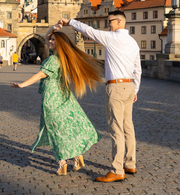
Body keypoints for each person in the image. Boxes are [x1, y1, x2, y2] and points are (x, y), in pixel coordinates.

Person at [59, 10, 141, 182]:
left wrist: (70, 22)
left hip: (116, 88)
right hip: (129, 86)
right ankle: (130, 163)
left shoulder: (112, 38)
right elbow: (137, 69)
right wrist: (135, 90)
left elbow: (89, 31)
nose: (108, 24)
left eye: (110, 21)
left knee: (116, 128)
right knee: (128, 127)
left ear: (119, 21)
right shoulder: (133, 42)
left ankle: (118, 170)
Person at [10, 24, 103, 175]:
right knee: (66, 128)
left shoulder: (53, 60)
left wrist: (22, 85)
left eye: (53, 40)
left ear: (59, 43)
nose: (49, 41)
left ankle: (62, 163)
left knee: (56, 132)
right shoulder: (62, 58)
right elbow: (46, 37)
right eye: (50, 39)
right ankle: (77, 157)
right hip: (64, 97)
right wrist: (53, 28)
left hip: (52, 99)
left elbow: (40, 75)